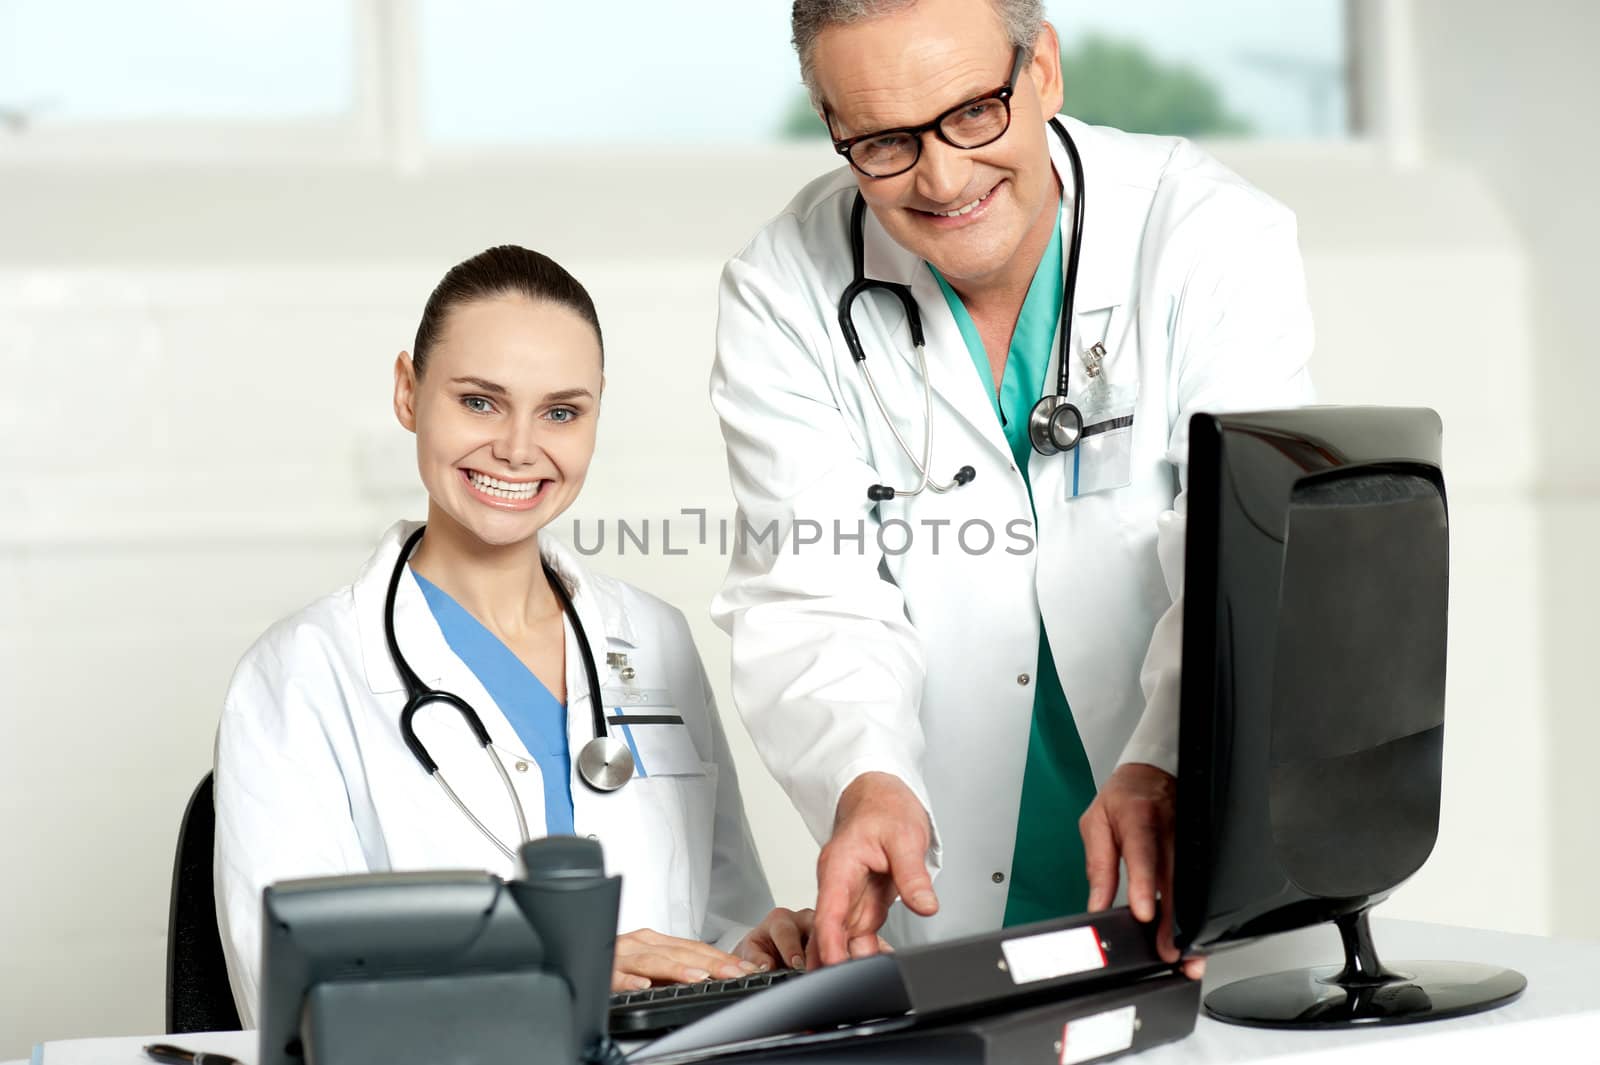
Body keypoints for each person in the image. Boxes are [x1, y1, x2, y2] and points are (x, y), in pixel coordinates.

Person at [711, 0, 1314, 971]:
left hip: (1190, 875)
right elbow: (811, 590)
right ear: (833, 128)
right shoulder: (785, 288)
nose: (943, 177)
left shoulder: (1201, 234)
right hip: (951, 905)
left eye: (972, 113)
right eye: (884, 141)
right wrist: (864, 778)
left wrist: (1164, 756)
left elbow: (1237, 547)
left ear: (1042, 74)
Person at [214, 245, 811, 1026]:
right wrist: (557, 968)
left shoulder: (655, 641)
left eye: (561, 411)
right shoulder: (300, 673)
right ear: (408, 391)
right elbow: (289, 993)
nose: (520, 448)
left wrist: (759, 951)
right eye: (481, 401)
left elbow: (715, 922)